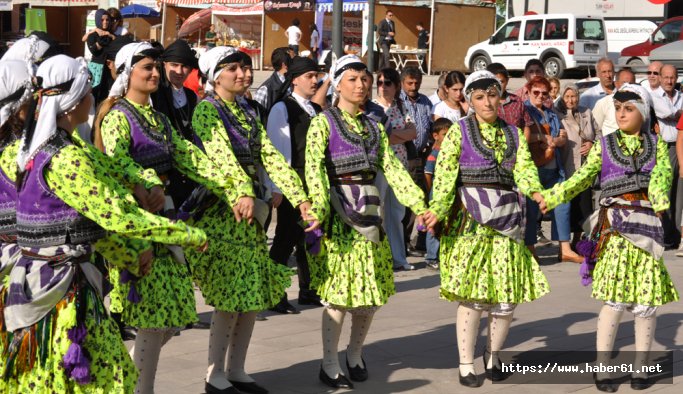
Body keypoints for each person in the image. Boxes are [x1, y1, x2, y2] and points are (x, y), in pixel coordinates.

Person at [1, 54, 209, 393]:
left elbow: (87, 218)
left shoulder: (55, 148)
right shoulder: (63, 156)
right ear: (73, 102)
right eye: (87, 93)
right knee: (98, 378)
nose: (92, 99)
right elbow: (117, 215)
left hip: (55, 281)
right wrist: (186, 233)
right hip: (59, 290)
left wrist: (130, 251)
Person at [95, 42, 237, 394]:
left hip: (167, 219)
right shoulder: (117, 116)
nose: (155, 73)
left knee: (171, 317)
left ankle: (127, 377)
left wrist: (232, 185)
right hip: (137, 225)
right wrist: (146, 181)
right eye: (147, 68)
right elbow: (116, 160)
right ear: (129, 73)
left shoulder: (158, 119)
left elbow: (187, 156)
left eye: (157, 67)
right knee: (153, 320)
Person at [539, 84, 678, 392]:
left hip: (647, 229)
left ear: (642, 112)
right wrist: (554, 195)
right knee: (614, 301)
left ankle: (641, 368)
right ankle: (602, 369)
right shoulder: (604, 144)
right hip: (616, 230)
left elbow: (661, 180)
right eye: (618, 108)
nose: (621, 113)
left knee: (646, 302)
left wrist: (662, 206)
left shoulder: (656, 145)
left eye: (628, 109)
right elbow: (584, 176)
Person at [191, 46, 313, 394]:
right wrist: (241, 190)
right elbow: (221, 156)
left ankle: (237, 368)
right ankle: (214, 373)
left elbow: (270, 157)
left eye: (245, 68)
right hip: (224, 212)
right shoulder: (207, 110)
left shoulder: (246, 110)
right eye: (234, 69)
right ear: (216, 75)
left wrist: (299, 196)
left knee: (249, 298)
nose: (244, 74)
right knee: (229, 298)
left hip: (251, 213)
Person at [422, 70, 550, 388]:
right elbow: (445, 176)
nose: (487, 102)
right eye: (479, 96)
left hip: (508, 222)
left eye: (491, 94)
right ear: (469, 100)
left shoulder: (513, 133)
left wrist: (535, 191)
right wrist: (436, 211)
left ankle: (493, 355)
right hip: (472, 224)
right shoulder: (458, 132)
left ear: (500, 95)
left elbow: (524, 168)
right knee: (474, 297)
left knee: (506, 298)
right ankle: (466, 364)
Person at [305, 55, 426, 389]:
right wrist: (315, 210)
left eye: (364, 79)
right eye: (353, 79)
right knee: (338, 296)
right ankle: (329, 362)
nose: (361, 85)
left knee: (369, 296)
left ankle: (355, 354)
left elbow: (394, 170)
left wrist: (421, 204)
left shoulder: (375, 127)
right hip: (339, 219)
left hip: (371, 220)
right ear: (337, 84)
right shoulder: (324, 122)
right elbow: (314, 170)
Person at [267, 56, 323, 312]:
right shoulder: (283, 108)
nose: (315, 81)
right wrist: (278, 187)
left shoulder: (316, 109)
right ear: (295, 79)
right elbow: (279, 150)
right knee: (285, 237)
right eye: (310, 76)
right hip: (293, 180)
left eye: (317, 76)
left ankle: (308, 289)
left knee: (309, 238)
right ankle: (274, 292)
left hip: (313, 182)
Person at [523, 76, 580, 262]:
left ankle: (564, 249)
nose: (540, 96)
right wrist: (543, 137)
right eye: (536, 92)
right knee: (531, 210)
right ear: (528, 91)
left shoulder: (552, 113)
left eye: (544, 93)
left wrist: (555, 140)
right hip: (533, 169)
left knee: (562, 205)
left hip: (555, 167)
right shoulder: (524, 110)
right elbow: (521, 136)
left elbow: (561, 139)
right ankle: (530, 249)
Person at [372, 67, 418, 271]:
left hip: (400, 165)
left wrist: (393, 135)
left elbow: (414, 132)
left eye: (387, 83)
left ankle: (398, 257)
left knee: (397, 213)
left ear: (396, 86)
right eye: (379, 82)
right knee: (376, 211)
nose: (383, 87)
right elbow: (380, 137)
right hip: (380, 166)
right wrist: (400, 134)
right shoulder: (373, 108)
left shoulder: (401, 107)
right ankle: (376, 257)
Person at [151, 39, 201, 209]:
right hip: (164, 169)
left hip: (189, 167)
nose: (179, 71)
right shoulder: (155, 95)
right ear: (164, 65)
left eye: (184, 66)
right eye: (174, 65)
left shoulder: (192, 95)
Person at [553, 84, 596, 247]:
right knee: (567, 206)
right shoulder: (557, 115)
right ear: (562, 98)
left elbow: (598, 133)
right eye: (567, 96)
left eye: (574, 96)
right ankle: (565, 243)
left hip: (584, 168)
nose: (571, 100)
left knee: (584, 205)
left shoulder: (586, 112)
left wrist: (592, 143)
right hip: (566, 165)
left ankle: (580, 239)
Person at [400, 66, 432, 254]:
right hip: (404, 155)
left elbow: (430, 125)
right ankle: (401, 240)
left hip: (421, 156)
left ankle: (413, 240)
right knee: (404, 200)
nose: (413, 86)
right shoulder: (399, 102)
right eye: (410, 83)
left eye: (416, 83)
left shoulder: (425, 102)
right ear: (403, 82)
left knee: (419, 199)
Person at [652, 64, 683, 251]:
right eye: (666, 77)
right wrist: (677, 115)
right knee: (666, 191)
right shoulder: (655, 98)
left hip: (681, 145)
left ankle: (677, 234)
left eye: (672, 77)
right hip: (665, 147)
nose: (670, 81)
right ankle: (667, 233)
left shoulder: (681, 96)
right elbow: (667, 114)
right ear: (660, 78)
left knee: (680, 192)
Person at [423, 118, 451, 270]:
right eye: (445, 134)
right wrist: (430, 191)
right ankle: (431, 257)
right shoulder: (435, 154)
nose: (448, 138)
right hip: (436, 192)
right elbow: (428, 173)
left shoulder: (452, 152)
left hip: (448, 192)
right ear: (436, 136)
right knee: (434, 223)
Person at [487, 63, 532, 130]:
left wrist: (523, 140)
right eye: (494, 82)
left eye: (501, 82)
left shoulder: (517, 101)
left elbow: (526, 126)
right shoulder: (484, 104)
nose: (497, 86)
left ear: (507, 81)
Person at [592, 68, 636, 137]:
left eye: (631, 83)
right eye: (624, 83)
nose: (628, 86)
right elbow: (594, 130)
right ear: (616, 84)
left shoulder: (639, 105)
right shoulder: (604, 103)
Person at [86, 9, 115, 96]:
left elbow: (118, 46)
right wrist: (102, 40)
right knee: (95, 95)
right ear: (98, 20)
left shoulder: (112, 35)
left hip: (110, 70)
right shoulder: (92, 35)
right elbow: (94, 50)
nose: (105, 22)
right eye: (102, 20)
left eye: (107, 20)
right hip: (97, 70)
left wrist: (110, 36)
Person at [254, 47, 292, 112]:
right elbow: (258, 117)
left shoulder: (294, 83)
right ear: (284, 64)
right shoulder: (265, 90)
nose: (298, 62)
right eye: (294, 60)